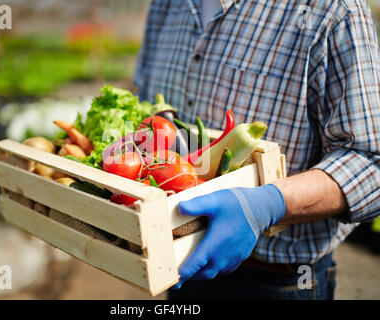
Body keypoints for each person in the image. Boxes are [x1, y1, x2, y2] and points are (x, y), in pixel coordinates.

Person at [134, 0, 380, 300]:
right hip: (180, 267)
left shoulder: (332, 9)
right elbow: (145, 105)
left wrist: (267, 206)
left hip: (279, 282)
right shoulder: (166, 5)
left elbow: (371, 163)